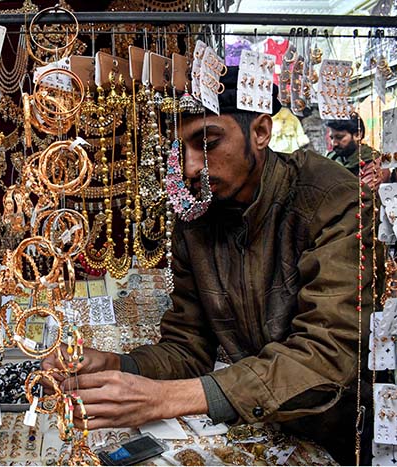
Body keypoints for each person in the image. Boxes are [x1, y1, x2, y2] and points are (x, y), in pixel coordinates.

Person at [43, 67, 373, 465]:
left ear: (261, 132)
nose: (190, 167)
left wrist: (166, 398)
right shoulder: (199, 217)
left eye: (209, 143)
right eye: (181, 150)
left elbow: (328, 353)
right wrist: (117, 364)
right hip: (271, 429)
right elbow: (188, 346)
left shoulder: (332, 201)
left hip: (348, 433)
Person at [327, 114, 388, 190]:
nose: (334, 143)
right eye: (332, 138)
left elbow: (362, 195)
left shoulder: (374, 163)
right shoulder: (331, 159)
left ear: (357, 135)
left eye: (339, 137)